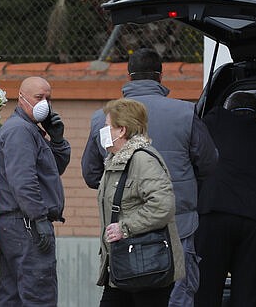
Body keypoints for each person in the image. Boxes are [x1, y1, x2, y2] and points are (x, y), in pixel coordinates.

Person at [82, 48, 217, 306]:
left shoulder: (102, 118)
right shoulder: (185, 113)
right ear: (160, 75)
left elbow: (90, 174)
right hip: (178, 227)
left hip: (120, 233)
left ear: (129, 75)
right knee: (175, 297)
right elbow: (209, 163)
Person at [195, 92, 256, 307]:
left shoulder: (214, 121)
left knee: (206, 288)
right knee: (249, 294)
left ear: (228, 108)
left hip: (215, 214)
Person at [96, 98, 184, 307]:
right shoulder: (115, 161)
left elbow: (162, 206)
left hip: (146, 267)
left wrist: (125, 228)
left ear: (121, 130)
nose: (103, 131)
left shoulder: (142, 160)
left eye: (108, 126)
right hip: (123, 265)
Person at [0, 76, 70, 306]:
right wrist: (38, 217)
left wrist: (57, 140)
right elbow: (23, 181)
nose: (44, 103)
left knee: (13, 295)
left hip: (18, 223)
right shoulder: (20, 131)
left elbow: (53, 170)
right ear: (22, 98)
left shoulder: (29, 130)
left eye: (48, 98)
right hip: (25, 223)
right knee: (38, 294)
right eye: (39, 98)